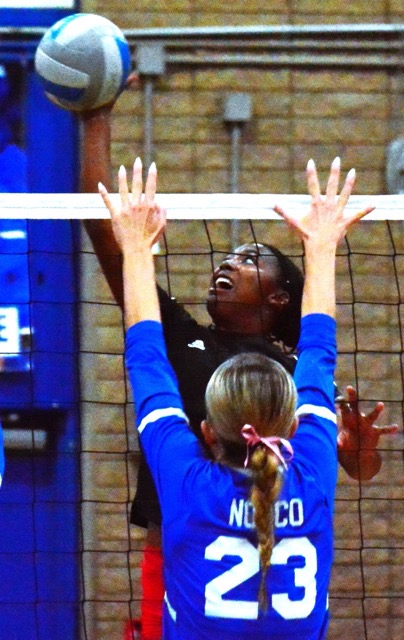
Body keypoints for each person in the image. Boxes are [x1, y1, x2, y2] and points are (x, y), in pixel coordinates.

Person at [80, 105, 398, 640]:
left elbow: (144, 355)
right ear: (295, 428)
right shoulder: (193, 340)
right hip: (187, 546)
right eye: (228, 256)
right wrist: (322, 247)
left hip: (200, 531)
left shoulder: (289, 373)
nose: (227, 264)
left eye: (249, 259)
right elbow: (323, 357)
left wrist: (360, 452)